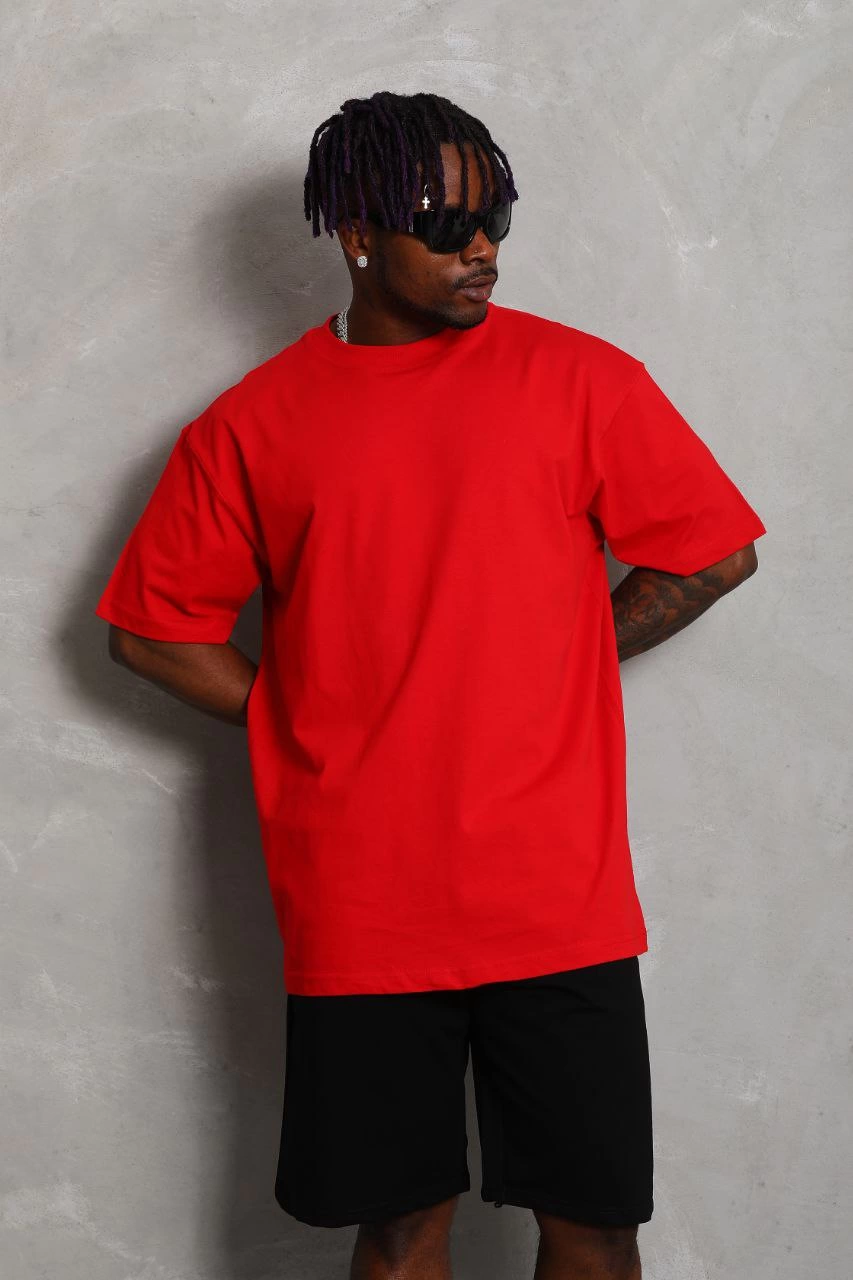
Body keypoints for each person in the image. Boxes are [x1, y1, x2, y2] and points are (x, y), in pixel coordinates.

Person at [94, 90, 767, 1280]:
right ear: (357, 234)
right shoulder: (252, 424)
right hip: (364, 904)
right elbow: (151, 632)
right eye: (448, 223)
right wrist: (301, 718)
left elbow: (712, 553)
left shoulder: (580, 380)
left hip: (555, 895)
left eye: (496, 215)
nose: (483, 248)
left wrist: (555, 656)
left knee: (595, 1223)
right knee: (400, 1225)